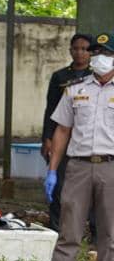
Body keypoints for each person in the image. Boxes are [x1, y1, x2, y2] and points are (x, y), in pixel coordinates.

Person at [43, 31, 114, 261]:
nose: (99, 57)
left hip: (111, 167)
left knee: (110, 233)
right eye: (96, 52)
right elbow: (62, 130)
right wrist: (52, 170)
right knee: (69, 232)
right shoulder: (75, 89)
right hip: (78, 167)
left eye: (106, 53)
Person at [43, 33, 93, 231]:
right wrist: (47, 138)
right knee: (59, 185)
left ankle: (92, 230)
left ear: (91, 52)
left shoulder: (96, 76)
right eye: (76, 48)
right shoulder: (60, 76)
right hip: (61, 137)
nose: (80, 53)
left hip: (86, 140)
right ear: (70, 50)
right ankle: (57, 227)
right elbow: (51, 109)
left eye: (84, 49)